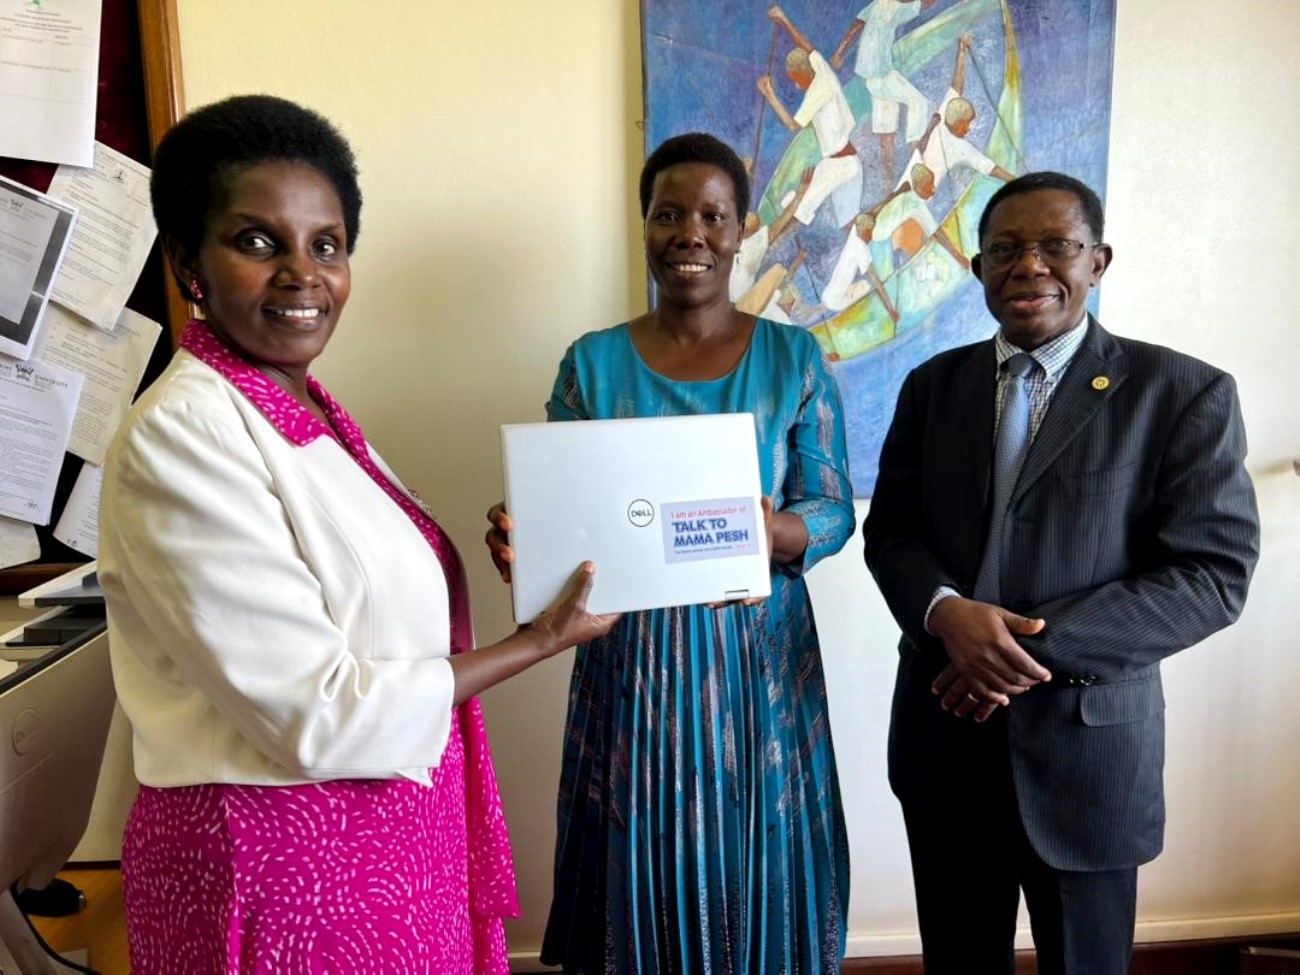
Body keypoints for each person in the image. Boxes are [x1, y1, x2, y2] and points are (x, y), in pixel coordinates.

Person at [98, 94, 618, 975]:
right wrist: (537, 641)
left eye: (326, 244)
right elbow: (314, 710)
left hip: (381, 841)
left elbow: (366, 601)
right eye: (257, 240)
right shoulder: (180, 433)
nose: (303, 273)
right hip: (281, 864)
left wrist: (528, 564)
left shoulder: (308, 409)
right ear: (189, 260)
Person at [862, 171, 1260, 974]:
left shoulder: (1179, 392)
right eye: (1005, 249)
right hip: (947, 739)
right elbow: (892, 533)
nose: (1030, 266)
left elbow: (1212, 573)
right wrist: (945, 612)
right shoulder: (932, 388)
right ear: (977, 269)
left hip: (1088, 753)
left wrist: (1015, 649)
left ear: (1098, 260)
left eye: (1056, 246)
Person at [488, 132, 854, 973]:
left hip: (757, 667)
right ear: (645, 226)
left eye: (712, 216)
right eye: (668, 214)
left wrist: (776, 534)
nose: (690, 232)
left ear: (741, 229)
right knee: (636, 858)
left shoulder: (793, 357)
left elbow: (833, 510)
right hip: (632, 666)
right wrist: (525, 539)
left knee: (757, 854)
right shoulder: (593, 362)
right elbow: (564, 511)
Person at [758, 6, 863, 231]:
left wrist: (770, 95)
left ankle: (772, 242)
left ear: (804, 75)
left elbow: (791, 125)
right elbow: (805, 44)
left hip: (841, 165)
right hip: (841, 161)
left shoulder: (817, 91)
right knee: (805, 205)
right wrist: (783, 19)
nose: (797, 85)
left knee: (798, 205)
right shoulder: (821, 68)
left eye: (796, 79)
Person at [831, 0, 937, 184]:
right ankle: (916, 156)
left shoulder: (877, 4)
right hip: (883, 77)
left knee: (887, 134)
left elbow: (857, 24)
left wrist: (839, 52)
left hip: (873, 79)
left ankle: (888, 185)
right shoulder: (895, 9)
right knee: (919, 103)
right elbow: (923, 4)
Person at [903, 34, 1015, 193]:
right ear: (958, 124)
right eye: (967, 124)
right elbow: (994, 170)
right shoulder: (960, 148)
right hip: (921, 193)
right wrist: (1020, 182)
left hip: (909, 179)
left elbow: (957, 85)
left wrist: (962, 51)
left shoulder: (944, 115)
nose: (969, 129)